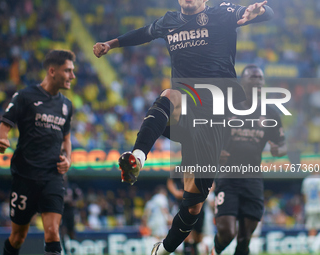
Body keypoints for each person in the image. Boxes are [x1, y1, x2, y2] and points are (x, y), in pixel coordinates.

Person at [93, 1, 274, 254]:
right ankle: (137, 158)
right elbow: (143, 33)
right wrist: (110, 44)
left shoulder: (221, 13)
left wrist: (257, 12)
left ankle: (164, 250)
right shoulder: (169, 21)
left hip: (214, 122)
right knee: (170, 95)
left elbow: (260, 14)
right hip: (186, 109)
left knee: (193, 206)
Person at [0, 50, 75, 255]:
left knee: (52, 232)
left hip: (52, 177)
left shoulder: (67, 105)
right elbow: (3, 127)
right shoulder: (25, 96)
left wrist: (68, 159)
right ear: (52, 71)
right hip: (25, 176)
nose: (72, 76)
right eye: (68, 71)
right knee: (18, 237)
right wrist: (0, 139)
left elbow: (66, 139)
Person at [211, 65, 287, 255]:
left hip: (253, 180)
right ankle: (214, 250)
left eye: (260, 78)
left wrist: (279, 150)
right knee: (227, 233)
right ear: (242, 82)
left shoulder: (271, 114)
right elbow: (208, 137)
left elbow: (283, 145)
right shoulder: (226, 108)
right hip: (228, 178)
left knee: (244, 239)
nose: (258, 81)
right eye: (253, 77)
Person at [167, 178, 205, 255]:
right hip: (184, 204)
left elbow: (212, 182)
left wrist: (206, 194)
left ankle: (194, 249)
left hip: (199, 206)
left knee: (198, 237)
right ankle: (187, 250)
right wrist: (176, 193)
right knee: (185, 230)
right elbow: (170, 181)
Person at [301, 171, 320, 253]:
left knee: (311, 229)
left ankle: (311, 248)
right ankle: (315, 246)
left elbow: (304, 195)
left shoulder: (306, 180)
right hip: (318, 206)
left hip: (309, 207)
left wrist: (307, 205)